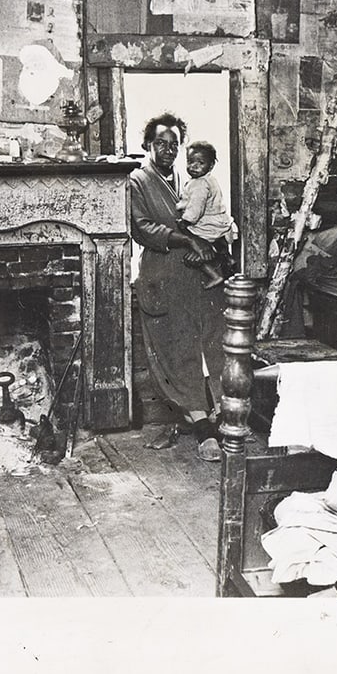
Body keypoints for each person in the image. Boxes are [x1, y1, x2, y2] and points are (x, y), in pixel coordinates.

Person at [129, 113, 226, 462]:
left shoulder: (187, 179)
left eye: (173, 145)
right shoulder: (138, 181)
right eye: (160, 144)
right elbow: (142, 228)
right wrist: (187, 241)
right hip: (161, 276)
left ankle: (215, 414)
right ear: (147, 145)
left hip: (192, 276)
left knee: (206, 344)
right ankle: (202, 428)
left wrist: (211, 241)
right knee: (176, 349)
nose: (168, 150)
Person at [176, 140, 235, 289]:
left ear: (210, 166)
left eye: (200, 163)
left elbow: (196, 208)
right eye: (190, 162)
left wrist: (185, 221)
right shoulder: (210, 180)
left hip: (208, 225)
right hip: (219, 223)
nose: (194, 166)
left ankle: (215, 275)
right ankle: (227, 257)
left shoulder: (200, 184)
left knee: (192, 249)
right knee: (215, 246)